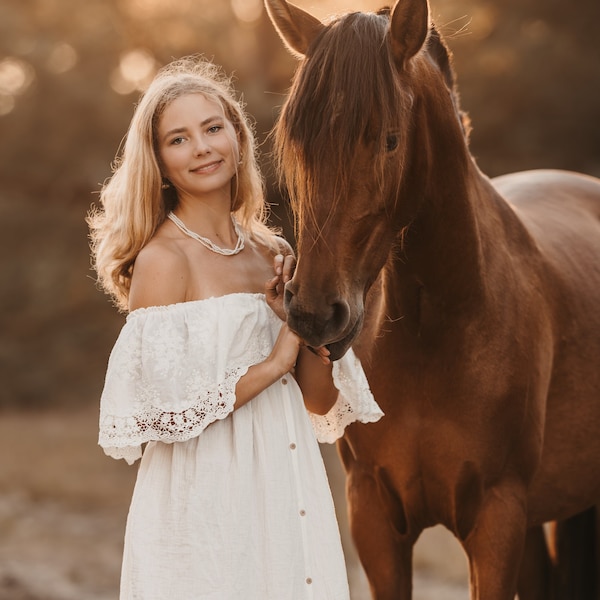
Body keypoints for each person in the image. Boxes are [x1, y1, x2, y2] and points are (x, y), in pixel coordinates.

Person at [88, 56, 383, 600]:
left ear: (239, 138)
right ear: (159, 163)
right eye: (178, 139)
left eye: (212, 128)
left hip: (285, 479)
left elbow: (317, 403)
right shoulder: (164, 260)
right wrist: (272, 362)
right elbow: (165, 413)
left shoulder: (275, 252)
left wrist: (299, 327)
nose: (201, 148)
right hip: (206, 497)